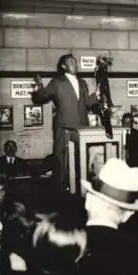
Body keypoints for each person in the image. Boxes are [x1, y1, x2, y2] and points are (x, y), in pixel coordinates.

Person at [32, 54, 99, 192]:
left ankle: (82, 188)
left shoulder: (82, 83)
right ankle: (60, 190)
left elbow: (87, 103)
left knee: (81, 159)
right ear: (64, 66)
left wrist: (96, 95)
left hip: (82, 127)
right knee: (62, 159)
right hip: (64, 127)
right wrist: (37, 88)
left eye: (75, 62)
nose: (75, 64)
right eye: (71, 62)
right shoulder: (57, 82)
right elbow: (41, 95)